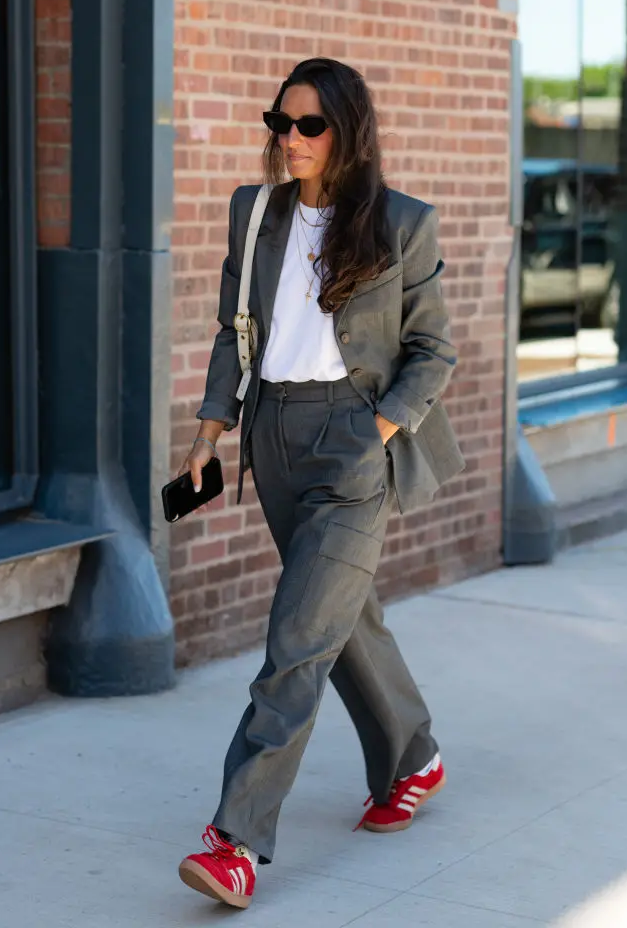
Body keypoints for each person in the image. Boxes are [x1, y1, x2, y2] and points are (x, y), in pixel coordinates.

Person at [176, 57, 464, 909]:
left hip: (352, 440)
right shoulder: (254, 211)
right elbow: (235, 325)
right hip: (273, 436)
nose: (289, 140)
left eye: (309, 125)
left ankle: (233, 842)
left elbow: (433, 350)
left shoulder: (400, 224)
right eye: (280, 122)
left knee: (297, 638)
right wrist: (210, 426)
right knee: (338, 617)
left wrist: (372, 433)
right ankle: (414, 755)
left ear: (348, 130)